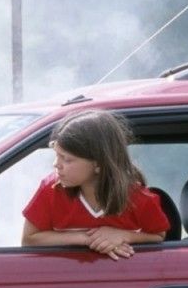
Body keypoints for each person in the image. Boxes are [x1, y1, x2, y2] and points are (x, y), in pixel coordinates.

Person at [21, 109, 169, 260]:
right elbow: (29, 239)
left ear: (99, 164)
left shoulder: (139, 198)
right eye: (57, 155)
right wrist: (87, 238)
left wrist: (124, 235)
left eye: (67, 159)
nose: (56, 164)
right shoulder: (50, 189)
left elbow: (158, 235)